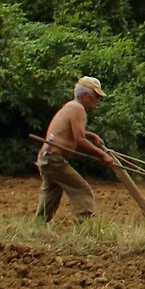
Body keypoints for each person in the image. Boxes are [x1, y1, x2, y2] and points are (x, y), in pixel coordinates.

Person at [36, 76, 120, 222]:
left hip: (47, 156)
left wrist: (91, 135)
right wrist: (102, 155)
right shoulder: (78, 109)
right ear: (86, 95)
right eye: (96, 97)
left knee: (51, 193)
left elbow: (69, 131)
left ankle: (37, 225)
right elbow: (79, 140)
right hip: (54, 158)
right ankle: (85, 225)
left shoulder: (70, 106)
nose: (98, 101)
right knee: (82, 189)